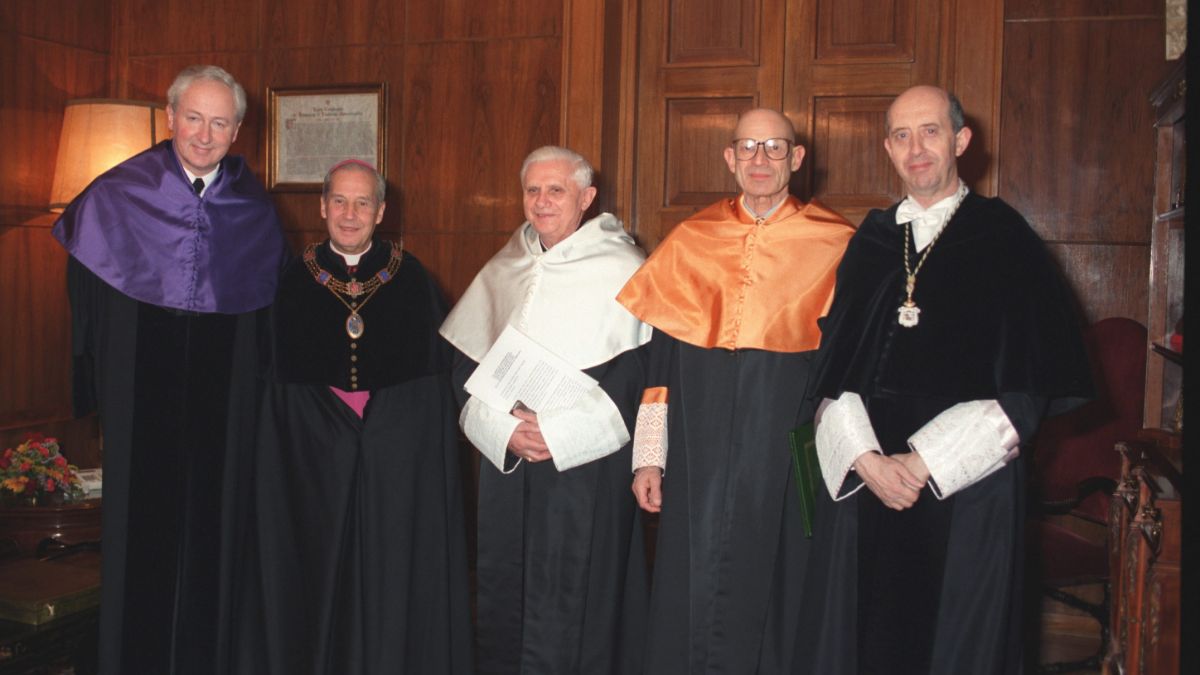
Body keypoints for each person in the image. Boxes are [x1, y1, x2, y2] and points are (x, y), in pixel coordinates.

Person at [803, 85, 1093, 674]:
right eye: (902, 135)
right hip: (870, 479)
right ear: (888, 148)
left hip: (966, 485)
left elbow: (1028, 388)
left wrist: (919, 464)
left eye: (930, 131)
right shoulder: (872, 240)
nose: (917, 148)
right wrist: (867, 460)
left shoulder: (1004, 237)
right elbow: (832, 371)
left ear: (961, 140)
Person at [51, 65, 286, 675]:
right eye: (193, 118)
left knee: (216, 528)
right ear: (170, 115)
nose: (203, 135)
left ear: (237, 130)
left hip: (223, 405)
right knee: (141, 538)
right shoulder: (118, 194)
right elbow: (87, 296)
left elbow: (269, 324)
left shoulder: (254, 211)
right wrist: (96, 383)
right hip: (141, 397)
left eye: (219, 123)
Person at [617, 108, 856, 672]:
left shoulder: (838, 243)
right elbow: (660, 367)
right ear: (729, 157)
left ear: (797, 159)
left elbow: (848, 372)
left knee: (781, 581)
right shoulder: (691, 239)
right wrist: (649, 459)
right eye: (748, 147)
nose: (760, 160)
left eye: (775, 148)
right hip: (697, 449)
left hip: (786, 448)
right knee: (689, 579)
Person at [239, 159, 472, 674]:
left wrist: (385, 435)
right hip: (312, 462)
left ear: (381, 210)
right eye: (339, 201)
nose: (350, 214)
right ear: (322, 207)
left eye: (362, 202)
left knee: (391, 568)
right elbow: (276, 396)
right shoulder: (289, 281)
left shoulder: (411, 278)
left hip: (393, 462)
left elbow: (431, 392)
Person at [440, 146, 651, 674]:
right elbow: (462, 365)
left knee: (577, 595)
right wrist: (503, 429)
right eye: (532, 190)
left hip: (584, 466)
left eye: (556, 190)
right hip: (509, 462)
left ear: (587, 197)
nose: (542, 201)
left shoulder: (625, 268)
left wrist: (556, 432)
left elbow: (640, 377)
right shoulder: (505, 264)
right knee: (504, 589)